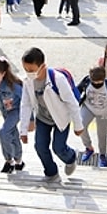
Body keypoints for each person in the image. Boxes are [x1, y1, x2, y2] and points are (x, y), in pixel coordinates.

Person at [18, 47, 84, 182]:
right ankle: (51, 173)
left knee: (58, 148)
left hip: (61, 118)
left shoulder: (58, 79)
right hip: (42, 118)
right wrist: (23, 129)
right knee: (40, 146)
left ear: (42, 66)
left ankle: (71, 157)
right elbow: (25, 104)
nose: (28, 73)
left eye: (31, 70)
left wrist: (78, 126)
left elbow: (72, 103)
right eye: (26, 70)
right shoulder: (28, 81)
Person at [78, 66, 107, 168]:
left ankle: (102, 155)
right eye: (94, 83)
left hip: (104, 111)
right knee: (80, 125)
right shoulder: (86, 81)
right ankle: (88, 148)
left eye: (99, 83)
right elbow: (77, 91)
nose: (97, 85)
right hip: (88, 108)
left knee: (102, 134)